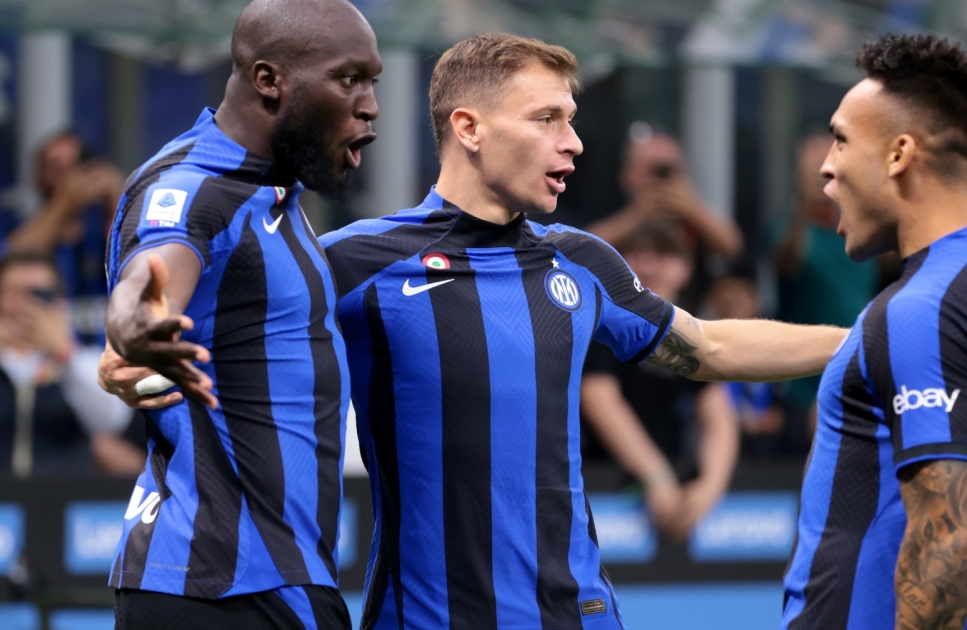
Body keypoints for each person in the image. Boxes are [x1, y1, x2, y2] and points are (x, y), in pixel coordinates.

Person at [318, 33, 845, 630]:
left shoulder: (582, 260)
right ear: (469, 128)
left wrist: (866, 340)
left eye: (569, 119)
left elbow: (711, 347)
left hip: (578, 615)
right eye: (546, 119)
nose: (573, 142)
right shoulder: (352, 263)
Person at [95, 0, 380, 627]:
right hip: (220, 589)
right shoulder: (191, 185)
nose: (370, 106)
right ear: (269, 80)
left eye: (372, 82)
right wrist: (137, 327)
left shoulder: (274, 193)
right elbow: (151, 277)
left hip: (278, 580)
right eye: (349, 79)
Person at [781, 35, 967, 630]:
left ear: (899, 154)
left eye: (842, 140)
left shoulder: (919, 310)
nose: (826, 166)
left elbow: (946, 540)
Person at [580, 224, 739, 540]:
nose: (648, 265)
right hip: (598, 489)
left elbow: (719, 416)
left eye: (663, 254)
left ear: (685, 270)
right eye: (636, 254)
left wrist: (710, 487)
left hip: (667, 490)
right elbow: (598, 398)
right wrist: (656, 475)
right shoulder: (602, 322)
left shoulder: (692, 330)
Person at [0, 252, 140, 476]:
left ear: (58, 303)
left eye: (38, 294)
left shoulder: (83, 362)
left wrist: (65, 354)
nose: (25, 305)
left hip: (64, 493)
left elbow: (112, 421)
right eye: (13, 293)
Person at [773, 132, 879, 435]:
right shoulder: (789, 232)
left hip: (857, 367)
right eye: (816, 168)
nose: (825, 175)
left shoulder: (861, 232)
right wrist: (805, 202)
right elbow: (787, 258)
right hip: (803, 380)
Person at [586, 130, 743, 307]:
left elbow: (732, 246)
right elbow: (585, 247)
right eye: (651, 168)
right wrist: (637, 215)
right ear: (627, 173)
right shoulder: (608, 203)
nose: (660, 177)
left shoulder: (690, 214)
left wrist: (692, 208)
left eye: (668, 169)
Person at [5, 131, 125, 345]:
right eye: (55, 166)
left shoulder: (102, 225)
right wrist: (65, 202)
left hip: (109, 346)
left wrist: (119, 197)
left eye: (75, 165)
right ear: (38, 176)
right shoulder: (16, 226)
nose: (67, 175)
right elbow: (7, 262)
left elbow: (142, 255)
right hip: (44, 349)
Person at [702, 273, 787, 457]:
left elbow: (779, 409)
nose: (733, 307)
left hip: (768, 448)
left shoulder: (771, 350)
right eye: (727, 301)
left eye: (740, 301)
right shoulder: (701, 348)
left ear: (756, 303)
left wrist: (770, 419)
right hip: (717, 441)